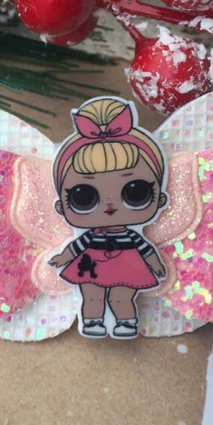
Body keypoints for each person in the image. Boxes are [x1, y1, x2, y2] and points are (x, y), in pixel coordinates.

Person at [49, 97, 168, 339]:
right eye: (84, 196)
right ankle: (93, 321)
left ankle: (126, 322)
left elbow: (145, 249)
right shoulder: (89, 237)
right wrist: (63, 257)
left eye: (136, 192)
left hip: (127, 266)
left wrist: (156, 264)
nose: (111, 208)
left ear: (161, 199)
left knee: (121, 297)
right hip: (90, 265)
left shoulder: (131, 237)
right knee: (91, 295)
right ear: (61, 206)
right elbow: (76, 246)